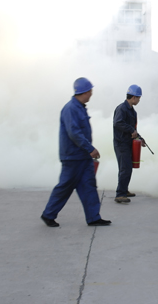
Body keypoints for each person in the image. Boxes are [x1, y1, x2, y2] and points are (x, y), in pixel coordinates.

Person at [41, 78, 111, 227]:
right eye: (90, 91)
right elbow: (74, 133)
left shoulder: (80, 107)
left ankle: (93, 217)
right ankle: (48, 214)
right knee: (65, 186)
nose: (91, 94)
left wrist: (88, 151)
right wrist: (90, 148)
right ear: (84, 92)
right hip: (72, 156)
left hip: (82, 157)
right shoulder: (71, 108)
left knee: (89, 186)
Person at [113, 84, 142, 204]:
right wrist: (131, 131)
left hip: (128, 143)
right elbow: (118, 123)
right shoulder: (122, 109)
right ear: (134, 97)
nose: (139, 100)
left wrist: (140, 138)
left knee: (127, 168)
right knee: (125, 168)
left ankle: (124, 190)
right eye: (139, 98)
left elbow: (133, 128)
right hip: (121, 144)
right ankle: (120, 194)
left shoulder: (132, 111)